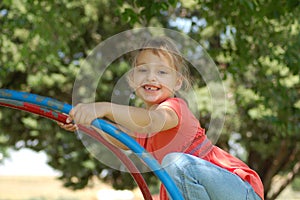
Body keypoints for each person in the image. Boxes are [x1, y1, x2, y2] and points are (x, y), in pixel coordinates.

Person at [58, 36, 264, 200]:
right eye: (143, 70)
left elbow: (152, 121)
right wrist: (86, 124)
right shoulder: (141, 126)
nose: (151, 77)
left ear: (178, 83)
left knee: (175, 163)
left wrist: (104, 107)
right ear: (131, 79)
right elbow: (121, 138)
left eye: (162, 72)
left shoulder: (174, 109)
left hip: (237, 192)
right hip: (195, 193)